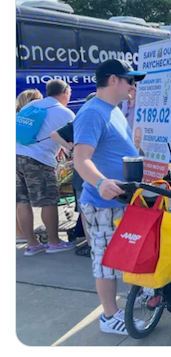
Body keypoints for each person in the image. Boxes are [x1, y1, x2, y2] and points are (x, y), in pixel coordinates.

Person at [73, 59, 146, 336]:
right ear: (113, 79)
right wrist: (101, 181)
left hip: (122, 200)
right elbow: (81, 160)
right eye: (130, 80)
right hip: (103, 203)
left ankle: (131, 297)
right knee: (105, 260)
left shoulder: (112, 110)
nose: (133, 86)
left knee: (126, 252)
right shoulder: (93, 113)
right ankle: (109, 315)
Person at [16, 80, 76, 256]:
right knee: (48, 200)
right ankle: (54, 242)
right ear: (65, 92)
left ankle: (32, 245)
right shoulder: (64, 113)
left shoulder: (32, 105)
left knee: (22, 200)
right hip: (38, 159)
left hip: (14, 155)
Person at [50, 92, 97, 257]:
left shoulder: (79, 121)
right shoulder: (101, 120)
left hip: (81, 170)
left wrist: (70, 149)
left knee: (84, 209)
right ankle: (94, 244)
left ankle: (91, 245)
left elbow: (55, 134)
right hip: (96, 170)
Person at [16, 89, 44, 244]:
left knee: (19, 200)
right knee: (24, 199)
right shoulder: (33, 118)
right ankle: (23, 235)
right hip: (28, 160)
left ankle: (20, 234)